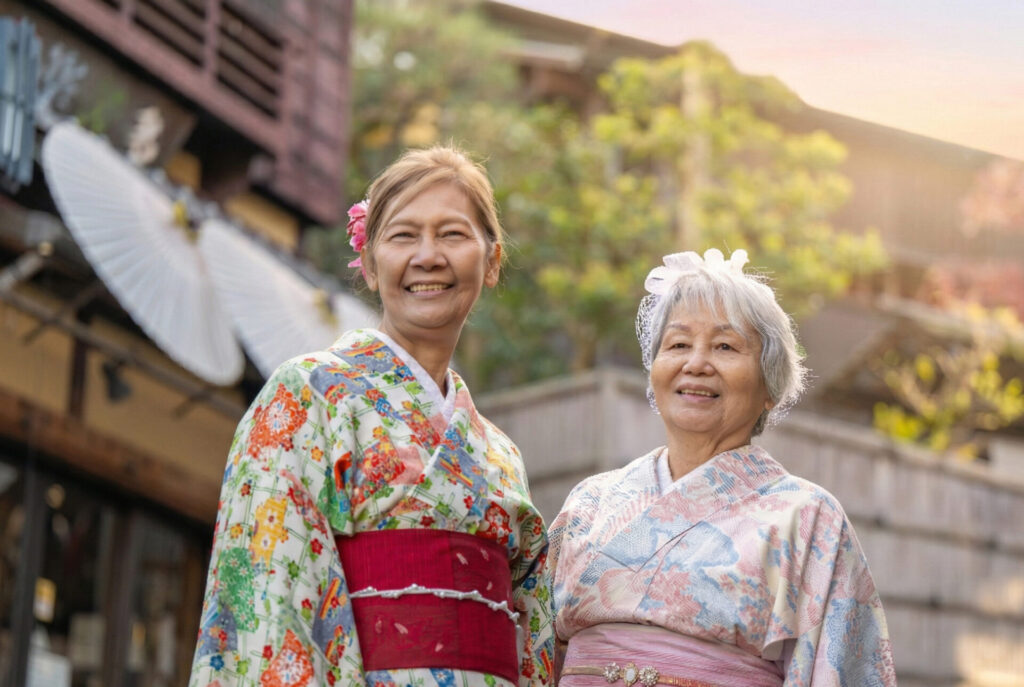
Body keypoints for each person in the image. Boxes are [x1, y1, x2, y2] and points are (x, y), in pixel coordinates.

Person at [189, 147, 554, 687]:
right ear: (369, 262)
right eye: (403, 236)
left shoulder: (501, 454)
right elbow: (267, 592)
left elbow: (532, 629)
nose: (428, 256)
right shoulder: (309, 395)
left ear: (492, 260)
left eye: (452, 234)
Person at [549, 249, 896, 686]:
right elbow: (535, 652)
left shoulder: (808, 518)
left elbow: (839, 671)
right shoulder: (589, 502)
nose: (695, 364)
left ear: (770, 386)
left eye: (725, 346)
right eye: (678, 344)